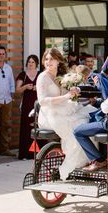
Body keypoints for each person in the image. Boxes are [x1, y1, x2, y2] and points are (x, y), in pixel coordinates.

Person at [37, 48, 94, 178]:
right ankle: (69, 167)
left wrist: (73, 91)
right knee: (76, 131)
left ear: (58, 61)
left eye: (51, 59)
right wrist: (66, 97)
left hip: (62, 110)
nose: (48, 62)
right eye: (46, 59)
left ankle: (85, 161)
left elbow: (67, 95)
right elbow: (42, 101)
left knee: (86, 119)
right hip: (49, 114)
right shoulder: (42, 77)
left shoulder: (61, 76)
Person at [15, 54, 40, 160]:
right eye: (29, 62)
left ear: (36, 64)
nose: (30, 64)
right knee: (26, 128)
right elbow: (17, 90)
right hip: (26, 104)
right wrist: (25, 86)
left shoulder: (40, 74)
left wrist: (36, 88)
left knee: (38, 126)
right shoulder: (22, 75)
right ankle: (25, 153)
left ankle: (39, 153)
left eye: (33, 62)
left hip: (38, 103)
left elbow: (46, 88)